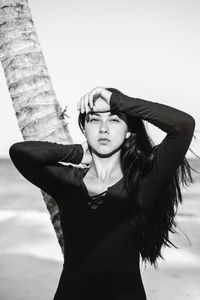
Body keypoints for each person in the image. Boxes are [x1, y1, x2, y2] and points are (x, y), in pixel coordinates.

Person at [9, 86, 196, 299]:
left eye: (114, 120)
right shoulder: (67, 183)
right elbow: (19, 153)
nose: (103, 128)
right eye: (94, 120)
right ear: (85, 129)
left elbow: (183, 125)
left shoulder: (144, 182)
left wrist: (119, 100)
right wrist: (78, 152)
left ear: (128, 132)